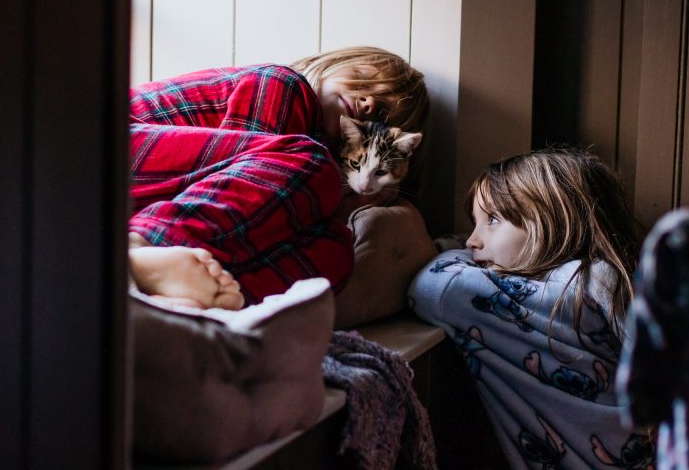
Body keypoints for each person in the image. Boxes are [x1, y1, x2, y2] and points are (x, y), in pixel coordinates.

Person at [127, 46, 430, 310]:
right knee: (312, 162)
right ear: (334, 63)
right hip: (110, 148)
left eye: (381, 117)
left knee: (336, 250)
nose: (368, 104)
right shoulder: (282, 85)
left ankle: (205, 298)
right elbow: (236, 187)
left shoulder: (309, 173)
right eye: (366, 83)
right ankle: (141, 250)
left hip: (151, 202)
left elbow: (250, 223)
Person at [409, 148, 656, 469]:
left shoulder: (583, 284)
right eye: (475, 223)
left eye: (492, 220)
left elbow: (431, 286)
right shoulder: (598, 277)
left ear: (553, 220)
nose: (471, 242)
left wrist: (445, 248)